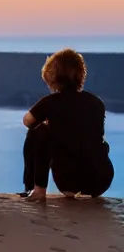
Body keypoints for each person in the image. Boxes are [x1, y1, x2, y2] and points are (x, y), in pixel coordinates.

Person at [22, 48, 114, 202]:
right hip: (101, 179)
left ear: (53, 76)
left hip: (69, 180)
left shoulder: (49, 103)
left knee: (38, 131)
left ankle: (37, 188)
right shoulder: (96, 102)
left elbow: (27, 121)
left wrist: (49, 122)